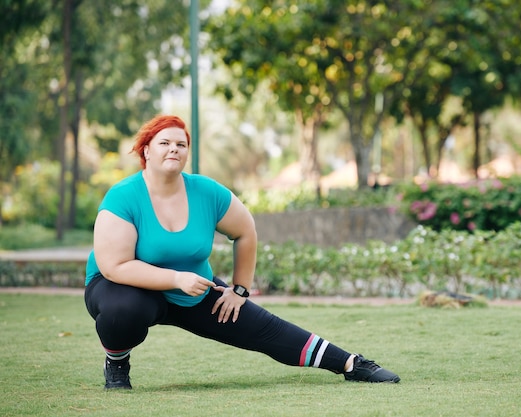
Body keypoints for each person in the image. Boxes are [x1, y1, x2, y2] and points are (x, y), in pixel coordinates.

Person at [84, 114, 400, 389]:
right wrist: (176, 278)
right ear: (147, 150)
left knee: (267, 329)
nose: (174, 149)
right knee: (123, 312)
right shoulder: (123, 196)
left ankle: (351, 364)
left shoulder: (206, 192)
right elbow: (115, 266)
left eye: (181, 144)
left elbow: (245, 231)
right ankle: (117, 362)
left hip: (193, 289)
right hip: (123, 286)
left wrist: (239, 289)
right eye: (165, 143)